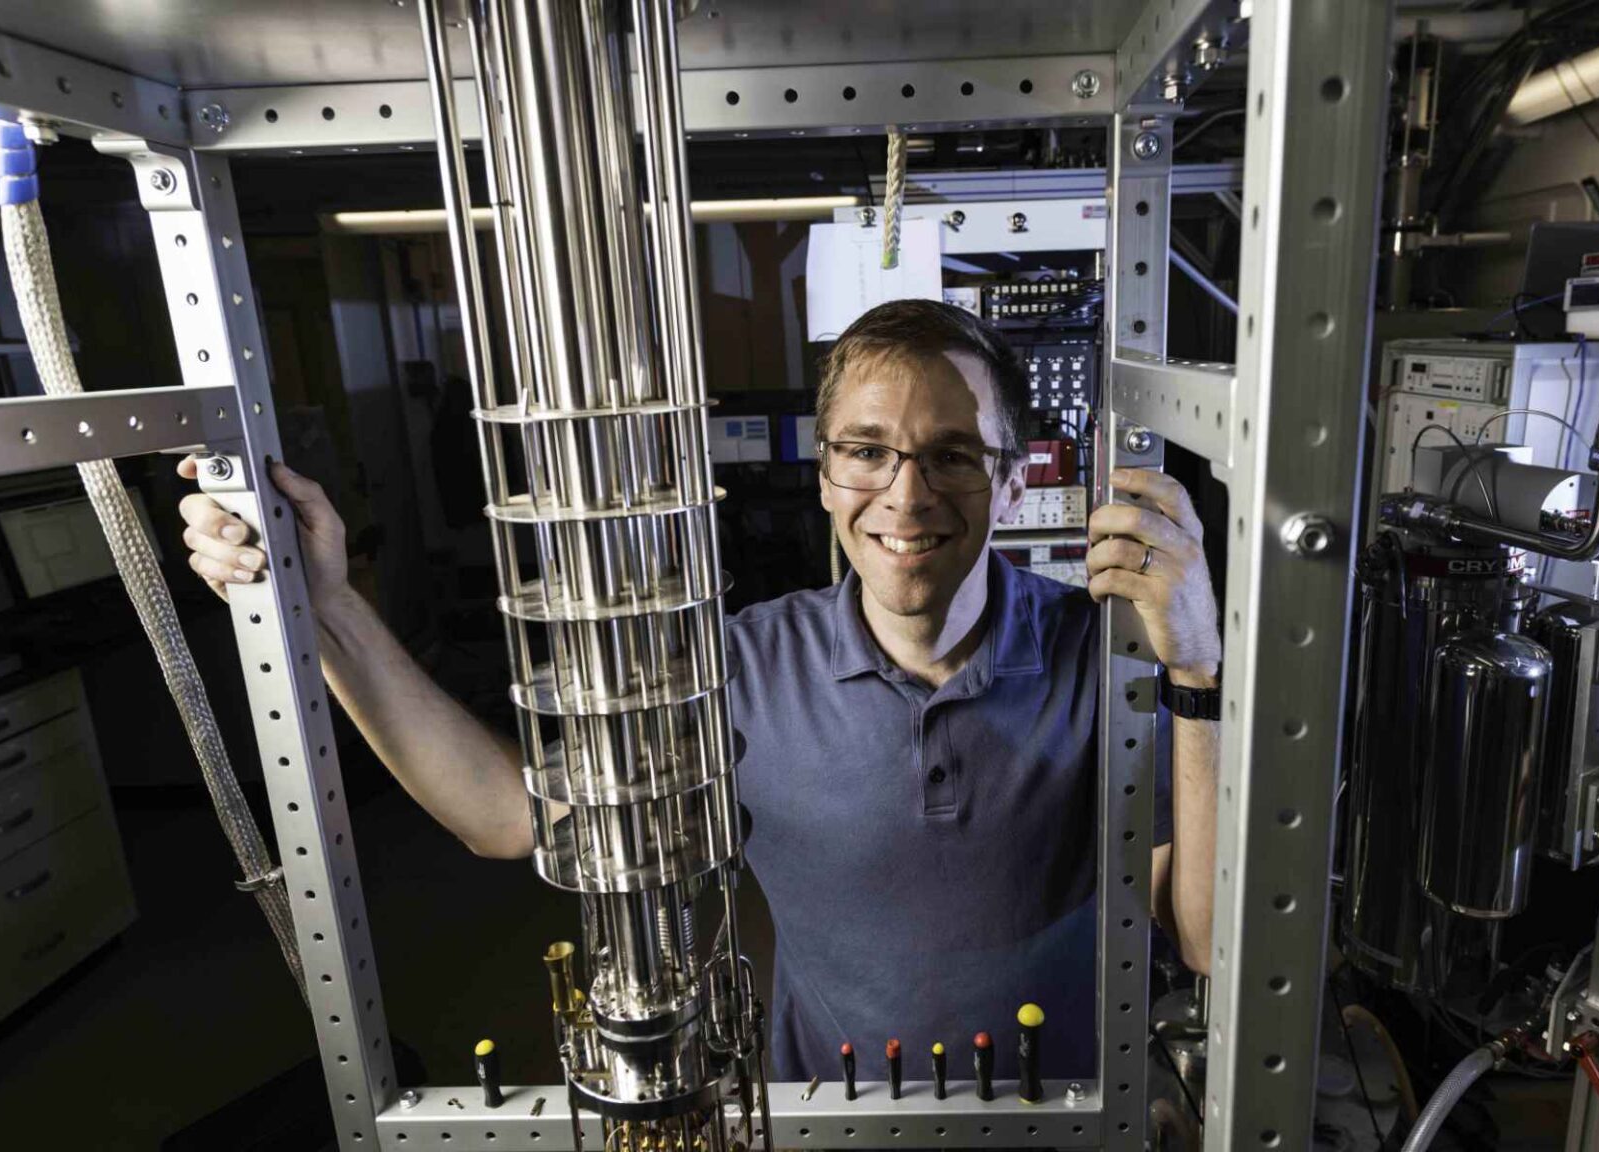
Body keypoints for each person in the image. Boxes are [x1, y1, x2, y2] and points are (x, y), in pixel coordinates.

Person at [177, 300, 1220, 1082]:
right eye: (867, 452)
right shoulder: (744, 667)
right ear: (824, 476)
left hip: (1067, 1118)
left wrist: (1198, 671)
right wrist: (330, 610)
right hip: (830, 1122)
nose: (907, 495)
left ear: (1016, 476)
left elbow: (1206, 934)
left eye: (952, 455)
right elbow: (509, 816)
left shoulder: (1108, 659)